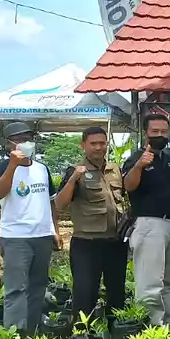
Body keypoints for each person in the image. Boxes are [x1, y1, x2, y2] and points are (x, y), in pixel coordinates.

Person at [0, 121, 61, 332]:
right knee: (16, 289)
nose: (26, 144)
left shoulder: (42, 169)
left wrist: (55, 230)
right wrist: (13, 165)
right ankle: (14, 336)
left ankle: (32, 330)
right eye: (20, 140)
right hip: (15, 238)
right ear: (8, 144)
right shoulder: (2, 168)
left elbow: (51, 202)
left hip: (42, 236)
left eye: (29, 139)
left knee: (38, 285)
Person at [53, 126, 126, 321]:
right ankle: (82, 337)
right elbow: (60, 204)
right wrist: (74, 179)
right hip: (87, 243)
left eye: (102, 143)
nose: (98, 147)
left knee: (117, 293)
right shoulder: (75, 171)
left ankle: (115, 335)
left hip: (115, 242)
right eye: (93, 143)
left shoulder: (115, 170)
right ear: (83, 145)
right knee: (85, 294)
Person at [122, 113, 170, 326]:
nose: (160, 135)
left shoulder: (169, 161)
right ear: (145, 133)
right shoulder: (134, 158)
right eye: (155, 131)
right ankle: (150, 330)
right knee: (150, 284)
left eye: (164, 131)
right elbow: (128, 186)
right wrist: (139, 165)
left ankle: (165, 327)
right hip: (149, 224)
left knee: (169, 282)